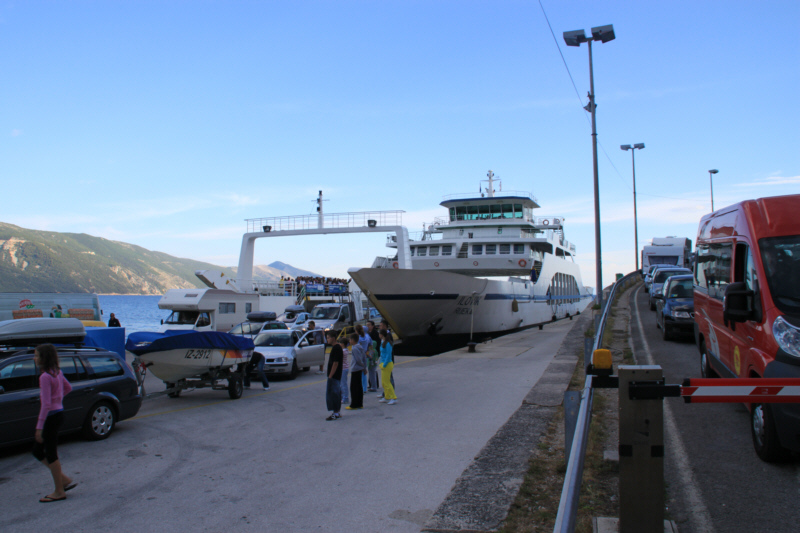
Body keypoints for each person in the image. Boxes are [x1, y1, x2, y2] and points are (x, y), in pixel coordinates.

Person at [33, 344, 77, 502]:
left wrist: (39, 427)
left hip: (51, 417)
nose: (34, 358)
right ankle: (63, 479)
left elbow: (45, 404)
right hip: (58, 414)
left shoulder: (45, 377)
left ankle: (59, 491)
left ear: (44, 358)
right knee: (38, 451)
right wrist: (58, 399)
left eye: (36, 355)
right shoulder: (57, 372)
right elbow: (68, 388)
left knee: (51, 453)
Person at [325, 332, 343, 421]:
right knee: (335, 393)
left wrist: (331, 375)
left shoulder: (337, 348)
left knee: (334, 394)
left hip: (335, 375)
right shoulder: (336, 348)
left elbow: (335, 363)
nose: (327, 339)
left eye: (328, 338)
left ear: (333, 338)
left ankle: (335, 412)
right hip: (335, 375)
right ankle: (337, 412)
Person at [346, 333, 366, 410]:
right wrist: (364, 367)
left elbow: (358, 359)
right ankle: (360, 403)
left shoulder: (354, 348)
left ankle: (354, 404)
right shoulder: (360, 347)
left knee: (353, 387)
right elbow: (364, 357)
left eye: (350, 339)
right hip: (359, 369)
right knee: (359, 386)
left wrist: (362, 365)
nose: (349, 341)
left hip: (355, 368)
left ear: (353, 340)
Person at [378, 330, 397, 405]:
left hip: (387, 364)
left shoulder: (388, 343)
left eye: (379, 334)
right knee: (384, 382)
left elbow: (389, 355)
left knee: (387, 382)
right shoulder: (383, 342)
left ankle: (393, 397)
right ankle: (387, 396)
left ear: (382, 335)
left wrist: (384, 365)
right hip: (383, 363)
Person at [355, 324, 371, 391]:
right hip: (365, 354)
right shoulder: (367, 337)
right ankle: (364, 387)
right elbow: (371, 344)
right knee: (364, 371)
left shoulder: (358, 338)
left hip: (359, 355)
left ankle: (361, 387)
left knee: (358, 372)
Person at [366, 321, 381, 391]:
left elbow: (376, 344)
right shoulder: (368, 333)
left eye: (369, 325)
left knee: (373, 369)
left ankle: (374, 384)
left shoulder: (375, 333)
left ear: (373, 326)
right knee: (371, 369)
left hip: (373, 352)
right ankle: (371, 383)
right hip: (370, 351)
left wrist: (373, 354)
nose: (368, 326)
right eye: (367, 325)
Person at [340, 337, 351, 404]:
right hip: (344, 368)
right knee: (342, 384)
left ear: (343, 344)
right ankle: (343, 397)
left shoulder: (343, 351)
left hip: (343, 368)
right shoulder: (345, 350)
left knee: (343, 384)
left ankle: (345, 397)